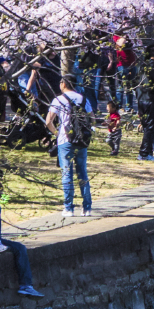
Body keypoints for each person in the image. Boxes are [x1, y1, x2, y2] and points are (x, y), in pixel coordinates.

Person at [46, 74, 94, 213]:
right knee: (82, 173)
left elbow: (48, 121)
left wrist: (57, 133)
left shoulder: (58, 100)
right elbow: (91, 118)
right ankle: (87, 208)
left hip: (65, 140)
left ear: (63, 84)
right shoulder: (83, 98)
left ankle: (68, 208)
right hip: (81, 140)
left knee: (66, 173)